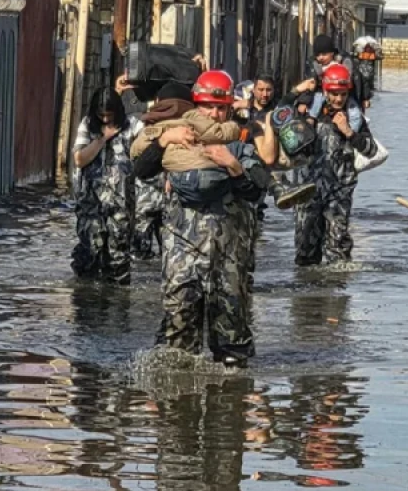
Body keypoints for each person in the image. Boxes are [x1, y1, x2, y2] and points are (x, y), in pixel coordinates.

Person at [131, 70, 270, 367]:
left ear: (229, 109)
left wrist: (233, 166)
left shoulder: (238, 141)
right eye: (208, 107)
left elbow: (257, 190)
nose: (215, 115)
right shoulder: (179, 138)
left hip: (228, 252)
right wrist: (163, 140)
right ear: (196, 106)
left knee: (230, 332)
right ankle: (175, 390)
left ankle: (231, 392)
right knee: (178, 325)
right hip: (182, 249)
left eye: (221, 108)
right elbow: (141, 169)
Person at [294, 63, 378, 266]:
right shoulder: (310, 113)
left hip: (339, 193)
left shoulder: (354, 117)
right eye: (334, 94)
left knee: (338, 250)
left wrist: (349, 132)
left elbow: (371, 150)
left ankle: (338, 286)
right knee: (306, 251)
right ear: (325, 91)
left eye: (342, 94)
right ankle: (307, 286)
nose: (338, 99)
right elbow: (291, 147)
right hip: (308, 191)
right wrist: (308, 125)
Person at [71, 86, 144, 284]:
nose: (105, 119)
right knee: (89, 250)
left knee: (118, 253)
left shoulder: (133, 125)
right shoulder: (88, 125)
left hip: (121, 204)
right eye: (101, 115)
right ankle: (85, 295)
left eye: (109, 115)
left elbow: (148, 144)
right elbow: (79, 159)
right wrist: (103, 139)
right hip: (91, 201)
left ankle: (116, 297)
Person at [131, 80, 196, 260]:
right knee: (171, 253)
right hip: (166, 201)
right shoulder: (191, 130)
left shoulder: (148, 127)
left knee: (142, 255)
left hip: (150, 200)